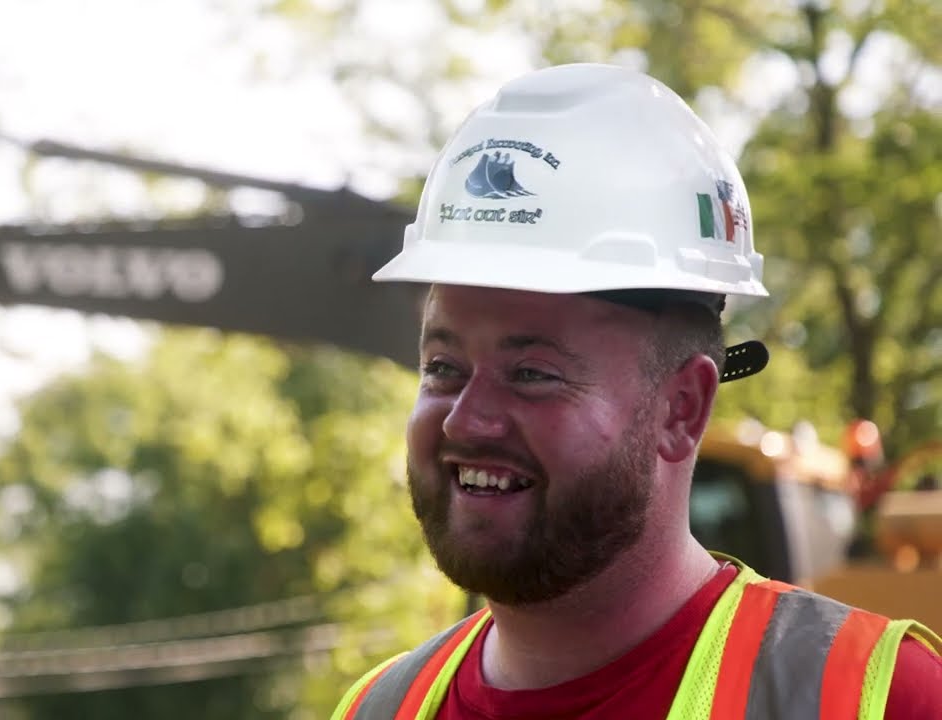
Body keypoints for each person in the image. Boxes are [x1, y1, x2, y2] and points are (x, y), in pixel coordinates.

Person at [331, 64, 942, 720]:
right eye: (443, 368)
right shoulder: (378, 709)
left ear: (681, 409)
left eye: (533, 373)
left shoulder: (872, 700)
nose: (468, 419)